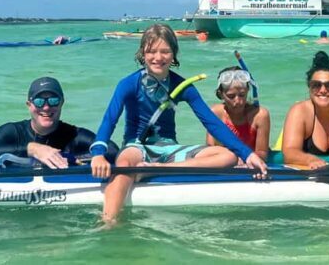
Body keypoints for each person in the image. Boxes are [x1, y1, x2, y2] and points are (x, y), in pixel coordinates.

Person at [89, 23, 267, 225]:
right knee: (125, 164)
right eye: (151, 51)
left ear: (174, 54)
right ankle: (108, 222)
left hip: (169, 148)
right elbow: (109, 120)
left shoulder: (183, 86)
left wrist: (246, 153)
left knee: (227, 156)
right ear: (142, 53)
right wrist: (98, 155)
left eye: (165, 51)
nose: (158, 57)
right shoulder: (128, 84)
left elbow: (211, 123)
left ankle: (155, 169)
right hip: (137, 147)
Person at [0, 77, 117, 169]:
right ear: (29, 104)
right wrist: (32, 149)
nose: (46, 107)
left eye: (53, 100)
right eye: (39, 101)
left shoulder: (74, 135)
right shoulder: (12, 131)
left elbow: (113, 151)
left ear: (62, 103)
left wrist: (72, 159)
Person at [206, 67, 270, 161]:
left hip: (251, 163)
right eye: (231, 96)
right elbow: (210, 149)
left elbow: (262, 153)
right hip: (224, 162)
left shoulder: (259, 115)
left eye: (242, 95)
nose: (238, 101)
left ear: (248, 90)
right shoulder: (215, 113)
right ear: (221, 94)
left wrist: (245, 160)